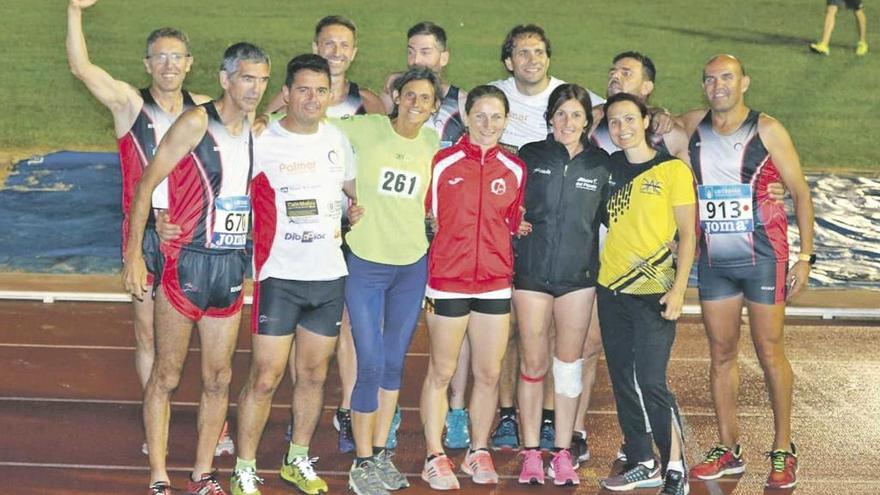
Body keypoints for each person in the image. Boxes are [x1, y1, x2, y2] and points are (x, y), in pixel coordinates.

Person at [64, 0, 235, 458]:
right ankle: (153, 418)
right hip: (143, 234)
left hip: (192, 236)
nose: (168, 64)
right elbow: (82, 68)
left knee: (203, 330)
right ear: (147, 64)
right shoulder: (130, 105)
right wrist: (74, 10)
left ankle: (213, 425)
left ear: (189, 64)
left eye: (176, 56)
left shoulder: (204, 109)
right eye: (160, 56)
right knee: (147, 334)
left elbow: (251, 123)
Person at [121, 42, 270, 495]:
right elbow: (147, 183)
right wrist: (134, 254)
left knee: (219, 377)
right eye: (247, 78)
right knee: (166, 374)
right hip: (185, 264)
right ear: (225, 79)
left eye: (263, 80)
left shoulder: (254, 129)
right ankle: (159, 476)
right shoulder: (195, 122)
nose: (255, 89)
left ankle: (203, 473)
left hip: (228, 269)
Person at [680, 54, 815, 490]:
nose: (718, 84)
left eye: (726, 77)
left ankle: (782, 447)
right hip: (715, 260)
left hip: (763, 256)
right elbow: (655, 123)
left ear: (744, 83)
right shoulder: (693, 125)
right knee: (720, 354)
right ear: (703, 86)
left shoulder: (768, 129)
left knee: (769, 351)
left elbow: (800, 192)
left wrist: (805, 257)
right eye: (710, 79)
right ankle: (728, 447)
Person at [228, 54, 356, 495]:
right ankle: (244, 466)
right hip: (278, 275)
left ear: (331, 94)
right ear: (285, 93)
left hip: (328, 276)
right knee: (265, 376)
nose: (312, 98)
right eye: (303, 89)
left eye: (321, 90)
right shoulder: (261, 139)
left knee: (315, 375)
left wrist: (353, 210)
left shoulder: (337, 139)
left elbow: (350, 194)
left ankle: (296, 458)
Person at [333, 67, 441, 495]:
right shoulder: (367, 128)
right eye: (410, 95)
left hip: (412, 265)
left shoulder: (433, 144)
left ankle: (379, 455)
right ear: (396, 96)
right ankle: (360, 462)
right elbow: (311, 130)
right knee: (370, 362)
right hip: (366, 263)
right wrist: (346, 193)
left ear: (434, 107)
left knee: (394, 364)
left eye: (425, 98)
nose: (416, 103)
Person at [418, 85, 526, 490]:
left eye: (496, 117)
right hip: (447, 280)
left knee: (488, 372)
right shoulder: (441, 163)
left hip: (495, 283)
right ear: (466, 116)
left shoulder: (515, 169)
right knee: (442, 370)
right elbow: (425, 216)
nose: (487, 124)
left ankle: (478, 450)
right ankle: (434, 453)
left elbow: (513, 221)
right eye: (480, 115)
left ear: (506, 119)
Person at [378, 20, 472, 452]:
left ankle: (456, 411)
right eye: (413, 51)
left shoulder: (465, 105)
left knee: (459, 330)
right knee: (393, 327)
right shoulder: (397, 99)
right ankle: (388, 409)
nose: (419, 59)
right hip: (401, 230)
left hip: (450, 238)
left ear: (444, 57)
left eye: (428, 51)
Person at [597, 92, 695, 495]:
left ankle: (675, 466)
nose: (622, 128)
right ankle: (642, 459)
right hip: (611, 290)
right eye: (614, 122)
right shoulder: (606, 168)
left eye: (629, 120)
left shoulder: (672, 171)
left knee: (651, 380)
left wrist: (678, 289)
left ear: (645, 121)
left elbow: (688, 236)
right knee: (622, 378)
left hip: (655, 291)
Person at [513, 84, 610, 487]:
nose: (567, 122)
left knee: (568, 368)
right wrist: (510, 220)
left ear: (587, 120)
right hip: (532, 275)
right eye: (560, 114)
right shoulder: (530, 156)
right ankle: (532, 452)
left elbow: (617, 216)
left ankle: (563, 452)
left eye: (575, 115)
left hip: (578, 280)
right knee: (533, 365)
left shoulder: (601, 164)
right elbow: (505, 202)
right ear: (549, 118)